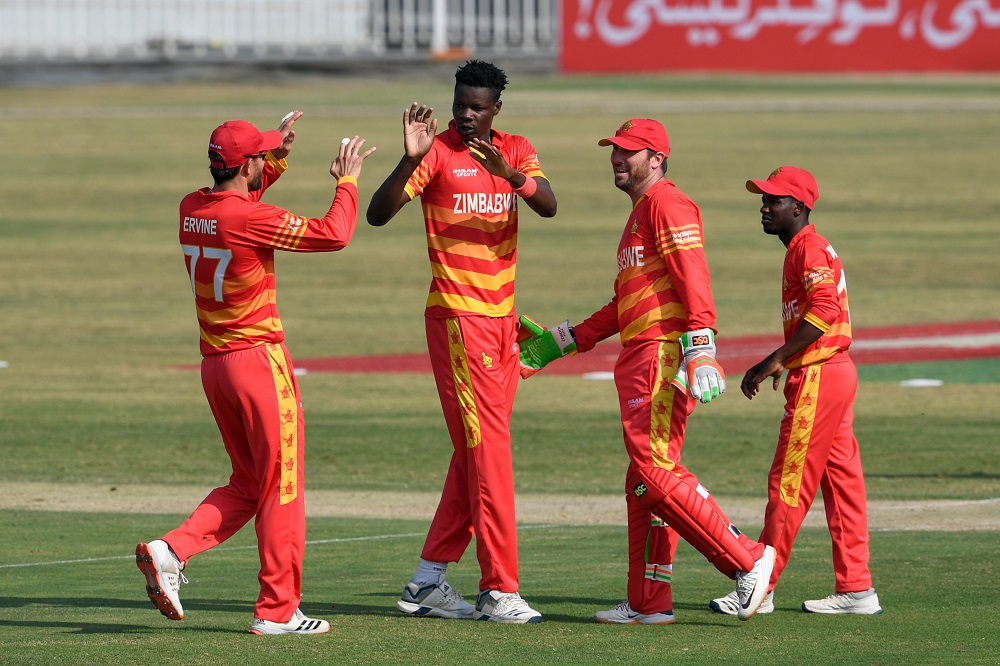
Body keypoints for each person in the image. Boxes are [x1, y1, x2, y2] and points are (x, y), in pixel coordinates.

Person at [518, 118, 775, 624]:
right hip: (640, 354)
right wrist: (559, 342)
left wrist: (701, 346)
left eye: (629, 152)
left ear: (656, 159)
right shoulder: (640, 212)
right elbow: (625, 304)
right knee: (643, 480)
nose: (617, 158)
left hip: (660, 353)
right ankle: (648, 601)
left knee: (654, 470)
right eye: (614, 150)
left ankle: (749, 558)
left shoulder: (667, 204)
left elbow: (693, 276)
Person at [135, 114, 376, 635]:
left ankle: (170, 550)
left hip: (215, 366)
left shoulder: (191, 207)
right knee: (283, 488)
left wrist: (277, 159)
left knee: (249, 482)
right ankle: (278, 610)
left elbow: (240, 208)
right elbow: (333, 234)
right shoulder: (248, 217)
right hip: (259, 364)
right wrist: (347, 182)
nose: (267, 160)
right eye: (261, 156)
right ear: (246, 166)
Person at [366, 60, 557, 624]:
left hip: (503, 323)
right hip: (458, 320)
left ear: (496, 108)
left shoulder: (516, 149)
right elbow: (377, 215)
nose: (466, 116)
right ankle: (499, 590)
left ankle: (427, 582)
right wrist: (410, 157)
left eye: (477, 108)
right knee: (490, 453)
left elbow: (548, 204)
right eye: (459, 105)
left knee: (475, 454)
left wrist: (510, 175)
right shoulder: (437, 153)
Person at [708, 166, 882, 616]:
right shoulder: (805, 248)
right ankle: (856, 588)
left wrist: (776, 358)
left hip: (820, 375)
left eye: (774, 201)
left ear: (799, 208)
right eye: (763, 200)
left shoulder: (807, 248)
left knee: (788, 483)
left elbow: (825, 307)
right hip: (833, 371)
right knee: (841, 484)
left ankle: (760, 586)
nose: (764, 208)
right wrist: (789, 358)